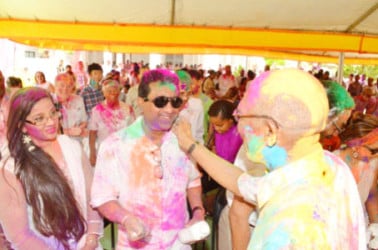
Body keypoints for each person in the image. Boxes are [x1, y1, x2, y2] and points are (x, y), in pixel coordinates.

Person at [173, 69, 366, 249]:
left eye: (240, 116)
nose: (238, 129)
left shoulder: (287, 229)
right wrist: (191, 145)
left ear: (270, 131)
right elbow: (241, 182)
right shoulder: (332, 167)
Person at [91, 69, 205, 249]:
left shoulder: (184, 141)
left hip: (178, 243)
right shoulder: (115, 145)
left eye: (175, 102)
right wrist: (126, 219)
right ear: (140, 102)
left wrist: (198, 212)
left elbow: (193, 181)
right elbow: (102, 198)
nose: (169, 109)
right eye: (160, 102)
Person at [0, 87, 103, 249]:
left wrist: (91, 239)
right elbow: (19, 236)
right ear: (22, 126)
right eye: (39, 118)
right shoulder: (12, 168)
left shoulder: (71, 147)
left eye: (53, 113)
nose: (50, 122)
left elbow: (93, 198)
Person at [88, 79, 135, 166]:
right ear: (104, 93)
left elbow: (134, 131)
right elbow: (92, 133)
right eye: (109, 91)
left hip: (124, 153)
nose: (113, 93)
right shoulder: (96, 110)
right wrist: (92, 153)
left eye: (115, 90)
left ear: (119, 92)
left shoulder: (128, 109)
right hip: (105, 154)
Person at [54, 73, 88, 142]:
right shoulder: (50, 102)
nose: (65, 88)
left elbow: (84, 121)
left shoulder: (78, 99)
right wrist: (69, 132)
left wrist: (79, 129)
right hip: (57, 143)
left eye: (69, 86)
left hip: (77, 141)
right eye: (62, 85)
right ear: (55, 86)